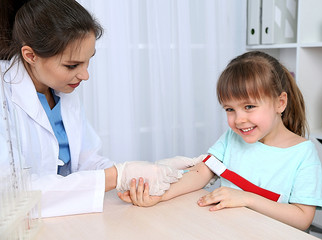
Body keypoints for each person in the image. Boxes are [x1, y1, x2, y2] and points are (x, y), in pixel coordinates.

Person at [0, 0, 187, 217]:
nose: (85, 75)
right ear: (30, 55)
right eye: (72, 65)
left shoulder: (60, 89)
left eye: (88, 61)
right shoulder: (5, 93)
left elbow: (86, 161)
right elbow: (12, 193)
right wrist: (117, 176)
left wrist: (138, 174)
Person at [118, 51, 322, 231]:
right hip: (228, 230)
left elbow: (302, 218)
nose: (239, 119)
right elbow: (201, 172)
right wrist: (160, 196)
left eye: (249, 107)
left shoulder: (303, 153)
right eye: (229, 109)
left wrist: (246, 198)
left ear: (280, 103)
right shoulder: (232, 138)